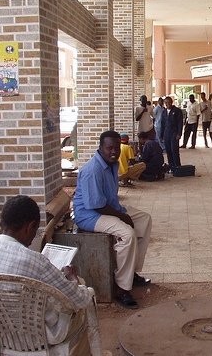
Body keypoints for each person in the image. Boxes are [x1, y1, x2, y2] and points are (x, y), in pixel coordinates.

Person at [0, 195, 94, 354]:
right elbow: (79, 300)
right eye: (35, 230)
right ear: (30, 226)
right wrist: (72, 278)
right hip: (44, 334)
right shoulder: (36, 262)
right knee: (86, 298)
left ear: (1, 224)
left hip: (2, 329)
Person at [73, 131, 152, 309]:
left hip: (109, 209)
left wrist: (123, 213)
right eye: (109, 148)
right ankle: (122, 289)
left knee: (144, 220)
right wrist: (123, 217)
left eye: (116, 148)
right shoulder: (92, 170)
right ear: (101, 148)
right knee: (127, 234)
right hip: (90, 215)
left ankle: (130, 273)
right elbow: (97, 205)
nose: (113, 152)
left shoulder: (112, 164)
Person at [160, 96, 183, 173]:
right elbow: (162, 124)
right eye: (166, 103)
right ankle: (171, 167)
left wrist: (179, 133)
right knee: (168, 150)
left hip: (174, 132)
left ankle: (177, 167)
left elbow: (180, 123)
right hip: (166, 133)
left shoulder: (177, 111)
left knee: (174, 150)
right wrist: (161, 136)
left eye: (169, 102)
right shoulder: (164, 112)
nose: (167, 104)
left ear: (171, 102)